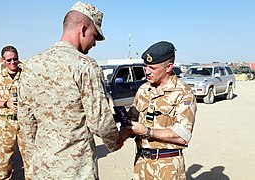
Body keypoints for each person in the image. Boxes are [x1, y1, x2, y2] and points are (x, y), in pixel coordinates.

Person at [17, 1, 122, 179]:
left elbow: (26, 121)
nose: (94, 44)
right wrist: (116, 140)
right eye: (94, 36)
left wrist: (32, 164)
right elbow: (100, 121)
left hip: (42, 169)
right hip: (77, 171)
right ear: (83, 29)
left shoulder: (32, 65)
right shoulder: (84, 66)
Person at [123, 41, 197, 179]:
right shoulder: (144, 89)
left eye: (152, 67)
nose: (146, 71)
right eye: (146, 66)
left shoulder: (183, 93)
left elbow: (182, 136)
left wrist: (147, 132)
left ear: (168, 67)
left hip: (167, 166)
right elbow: (132, 122)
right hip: (141, 164)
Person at [0, 45, 30, 180]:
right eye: (9, 60)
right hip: (6, 124)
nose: (12, 62)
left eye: (15, 59)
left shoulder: (27, 76)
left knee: (30, 160)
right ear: (3, 60)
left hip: (25, 123)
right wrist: (6, 104)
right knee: (3, 162)